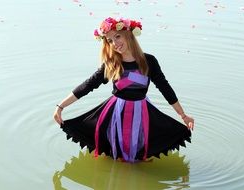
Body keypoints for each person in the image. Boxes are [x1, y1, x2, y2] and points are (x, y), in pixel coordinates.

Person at [53, 17, 194, 162]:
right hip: (116, 115)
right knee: (120, 157)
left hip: (141, 113)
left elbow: (165, 88)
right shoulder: (111, 64)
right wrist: (60, 106)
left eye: (117, 36)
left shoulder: (149, 61)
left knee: (140, 157)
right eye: (109, 40)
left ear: (129, 34)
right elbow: (88, 85)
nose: (115, 43)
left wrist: (183, 115)